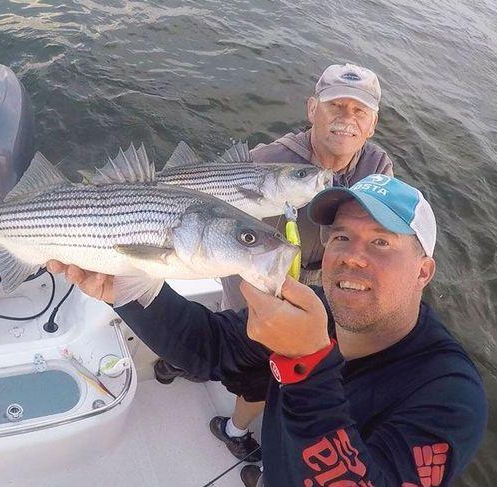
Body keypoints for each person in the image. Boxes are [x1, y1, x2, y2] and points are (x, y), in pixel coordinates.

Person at [47, 175, 487, 487]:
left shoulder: (451, 396)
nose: (351, 257)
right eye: (340, 238)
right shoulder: (317, 314)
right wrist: (125, 292)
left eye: (381, 242)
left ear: (423, 271)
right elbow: (207, 346)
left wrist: (307, 365)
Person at [155, 62, 395, 463]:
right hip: (257, 276)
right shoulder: (267, 159)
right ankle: (231, 428)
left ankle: (187, 363)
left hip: (321, 285)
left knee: (253, 353)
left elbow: (378, 233)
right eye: (336, 106)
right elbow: (200, 206)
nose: (346, 119)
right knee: (251, 358)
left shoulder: (377, 165)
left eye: (359, 111)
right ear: (312, 108)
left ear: (371, 124)